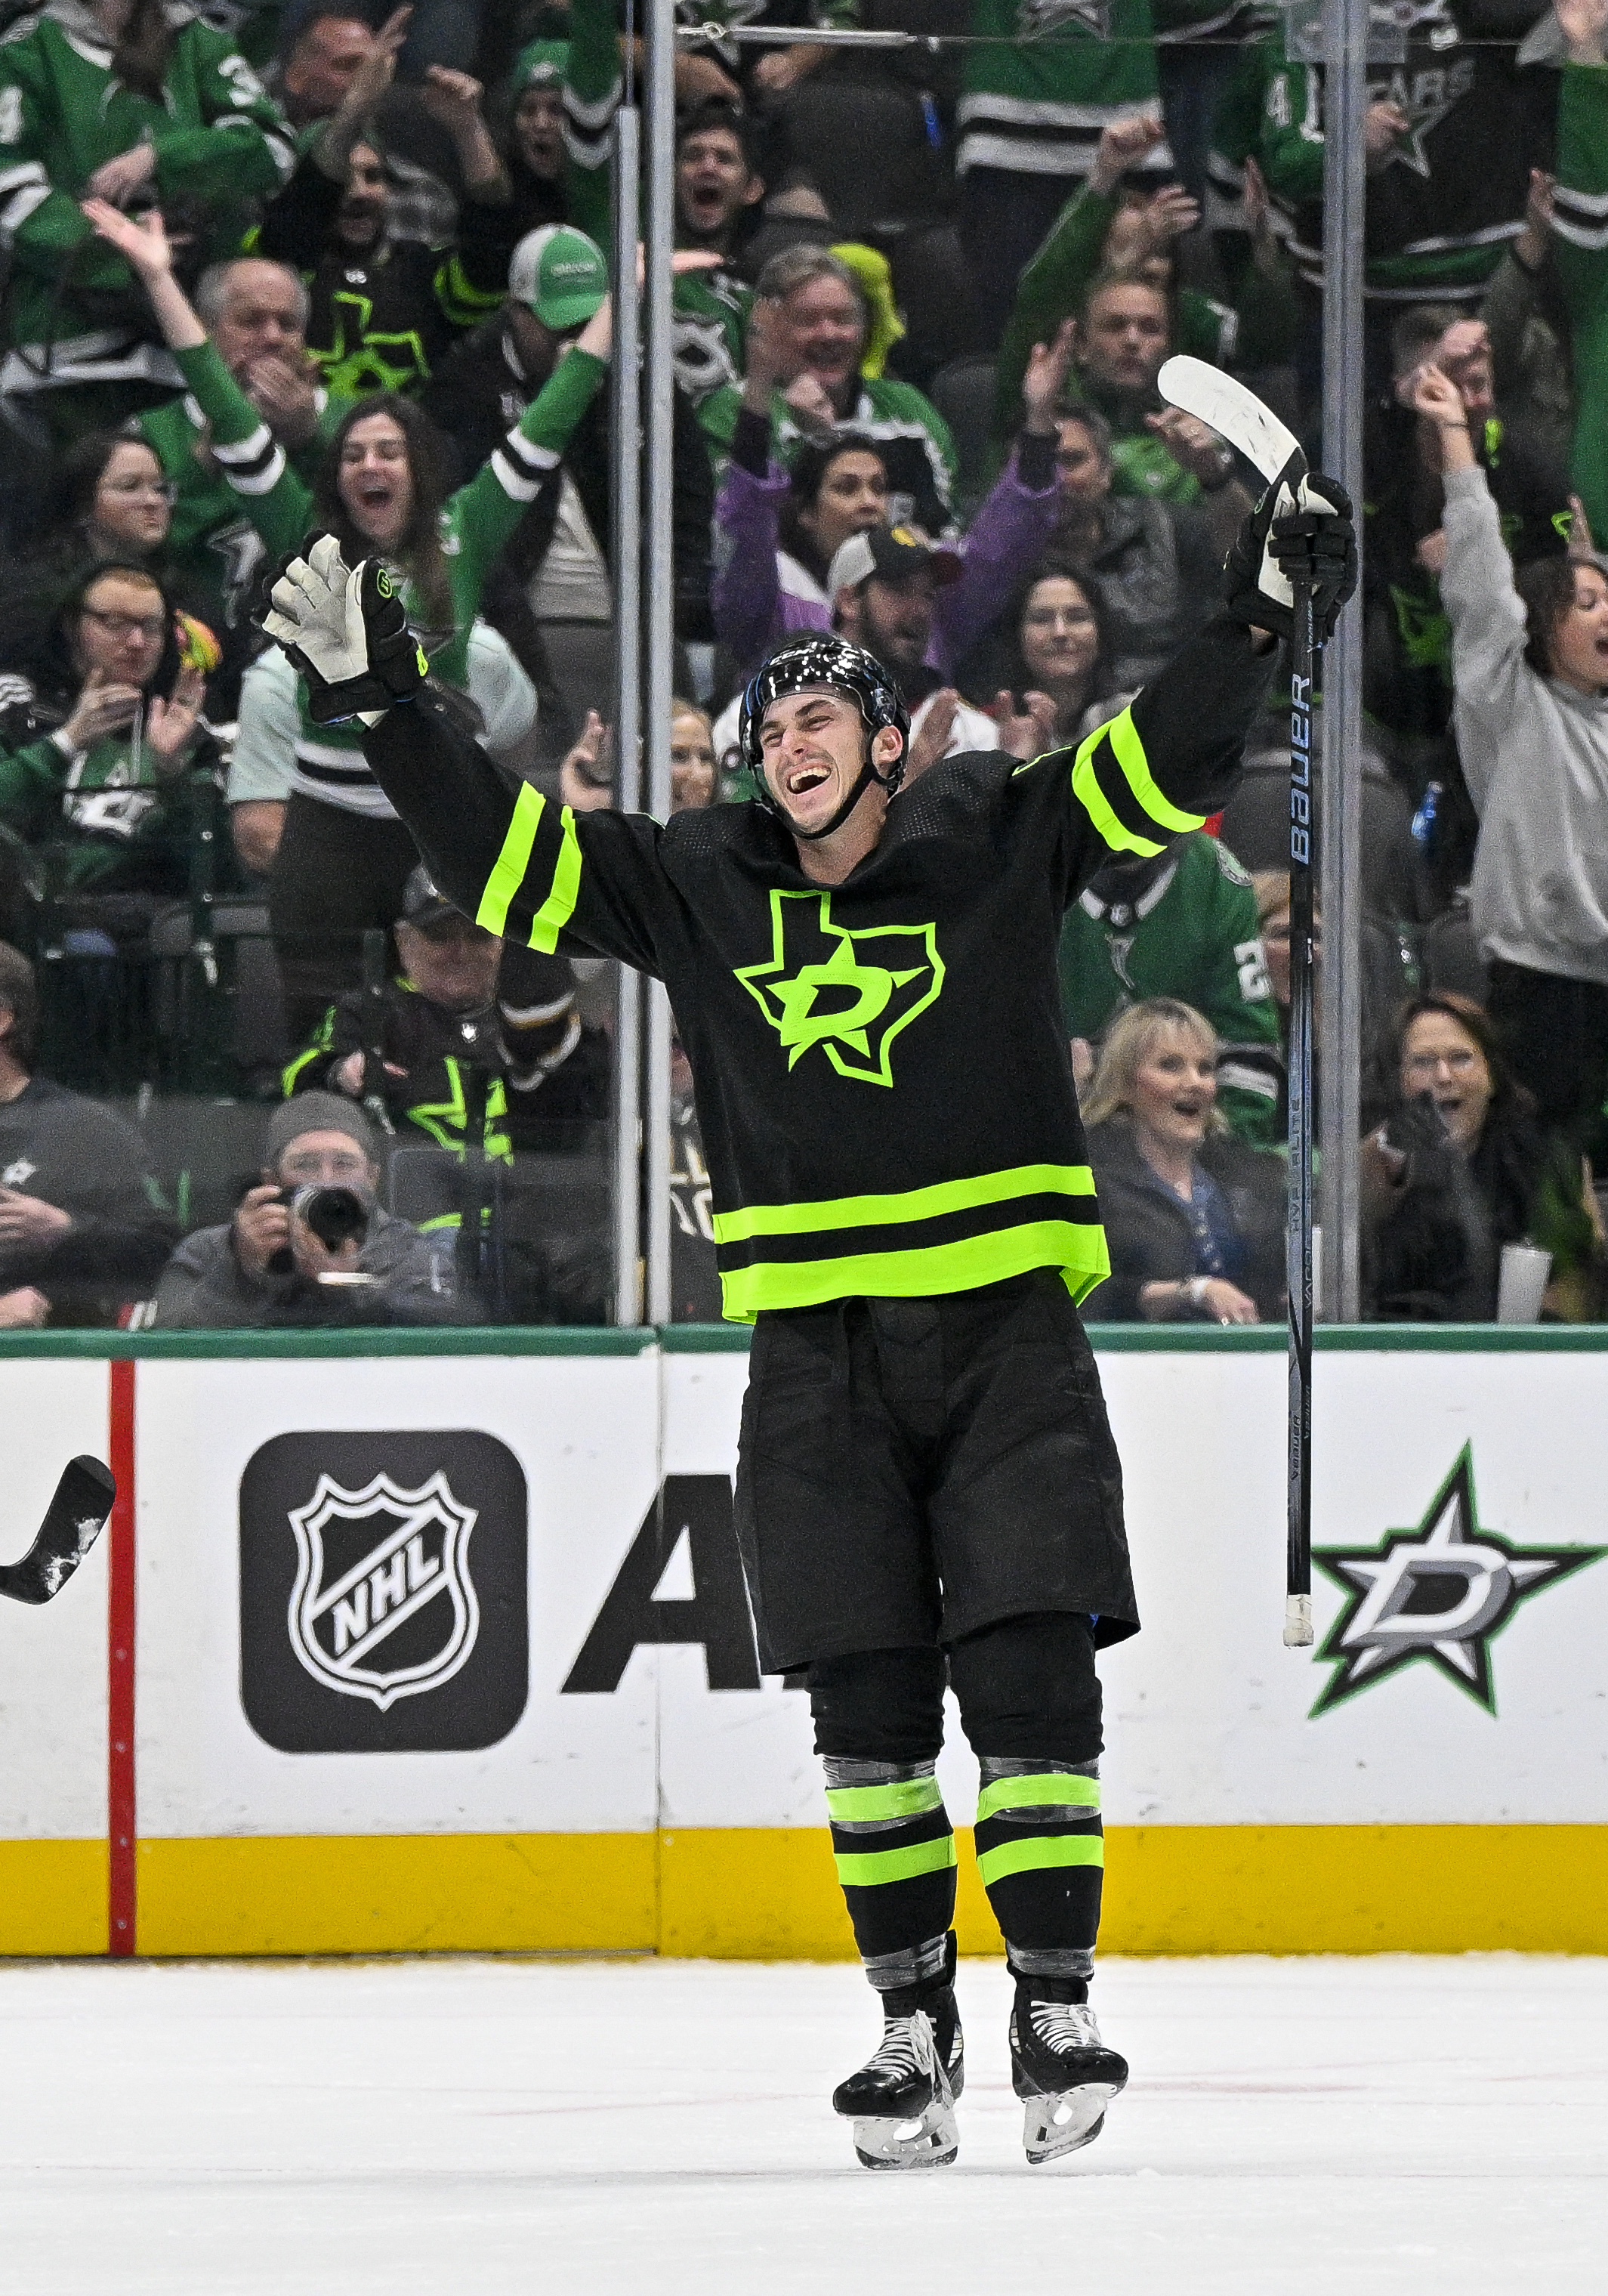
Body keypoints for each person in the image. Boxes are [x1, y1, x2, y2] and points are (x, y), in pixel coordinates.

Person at [255, 458, 1355, 2165]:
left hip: (1004, 1330)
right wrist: (385, 699)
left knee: (1028, 1665)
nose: (787, 743)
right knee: (866, 1696)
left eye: (819, 714)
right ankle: (911, 2023)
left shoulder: (997, 828)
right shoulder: (699, 877)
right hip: (816, 1348)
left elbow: (1166, 754)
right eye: (766, 727)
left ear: (889, 740)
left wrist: (1262, 611)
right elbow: (495, 856)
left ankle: (1051, 1998)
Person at [83, 197, 673, 1033]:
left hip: (448, 813)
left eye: (390, 451)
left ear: (417, 468)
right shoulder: (303, 533)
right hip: (328, 825)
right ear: (338, 475)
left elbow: (554, 415)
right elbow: (227, 408)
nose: (371, 464)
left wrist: (617, 307)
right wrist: (157, 277)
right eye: (355, 452)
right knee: (319, 1023)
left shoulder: (468, 529)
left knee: (496, 998)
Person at [1418, 356, 1608, 1156]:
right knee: (1539, 1174)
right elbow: (1480, 580)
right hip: (1537, 982)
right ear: (1537, 626)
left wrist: (1587, 563)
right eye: (1587, 604)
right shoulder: (1509, 701)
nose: (1605, 615)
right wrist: (1454, 437)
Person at [711, 300, 1068, 681]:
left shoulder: (934, 607)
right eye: (846, 488)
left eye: (879, 488)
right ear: (806, 513)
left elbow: (999, 550)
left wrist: (1038, 421)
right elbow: (746, 524)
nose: (869, 503)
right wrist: (760, 387)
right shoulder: (776, 603)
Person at [0, 0, 295, 431]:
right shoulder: (27, 49)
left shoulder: (198, 41)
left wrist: (161, 157)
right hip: (69, 351)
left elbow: (274, 148)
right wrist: (121, 244)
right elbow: (8, 187)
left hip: (194, 344)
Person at [283, 861, 607, 1154]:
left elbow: (586, 1112)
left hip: (528, 1192)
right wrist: (341, 1072)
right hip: (407, 1192)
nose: (461, 952)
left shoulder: (533, 1020)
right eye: (440, 936)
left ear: (503, 942)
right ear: (404, 941)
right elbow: (295, 1080)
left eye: (478, 935)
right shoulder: (371, 1011)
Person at [255, 39, 519, 397]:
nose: (360, 192)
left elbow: (492, 247)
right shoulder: (276, 270)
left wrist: (468, 129)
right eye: (344, 179)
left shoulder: (425, 273)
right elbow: (299, 217)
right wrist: (355, 109)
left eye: (373, 176)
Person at [0, 562, 216, 943]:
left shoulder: (186, 727)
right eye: (115, 623)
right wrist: (67, 742)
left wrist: (172, 773)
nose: (137, 642)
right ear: (73, 627)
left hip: (150, 923)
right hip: (27, 918)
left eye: (151, 627)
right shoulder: (17, 704)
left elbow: (216, 868)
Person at [1362, 991, 1600, 1323]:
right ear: (1399, 1080)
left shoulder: (1546, 1161)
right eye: (1423, 1062)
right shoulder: (1378, 1158)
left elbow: (1583, 1276)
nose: (1444, 1077)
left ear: (1491, 1075)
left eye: (1461, 1058)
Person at [697, 246, 959, 536]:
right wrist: (815, 443)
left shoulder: (908, 410)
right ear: (769, 330)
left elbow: (946, 531)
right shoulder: (735, 411)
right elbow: (735, 533)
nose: (829, 334)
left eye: (843, 319)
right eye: (808, 320)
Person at [1059, 829, 1283, 1149]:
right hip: (1055, 1144)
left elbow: (1249, 1048)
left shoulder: (1216, 877)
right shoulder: (1030, 862)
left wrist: (1226, 1152)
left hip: (1191, 1155)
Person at [153, 1092, 452, 1327]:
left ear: (372, 1178)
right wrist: (243, 1272)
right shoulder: (210, 1251)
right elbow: (167, 1343)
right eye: (305, 1165)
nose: (326, 1180)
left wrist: (345, 1290)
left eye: (344, 1164)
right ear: (272, 1180)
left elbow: (439, 1340)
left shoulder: (405, 1251)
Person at [0, 938, 176, 1327]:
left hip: (61, 1356)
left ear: (3, 1020)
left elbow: (163, 1255)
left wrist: (68, 1230)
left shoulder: (84, 1129)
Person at [1080, 998, 1285, 1324]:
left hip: (1250, 1353)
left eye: (1205, 1069)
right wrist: (1190, 1292)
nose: (1195, 1083)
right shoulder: (1090, 1178)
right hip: (1133, 1353)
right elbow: (1076, 1295)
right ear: (1126, 1085)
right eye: (1170, 1066)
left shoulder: (1247, 1173)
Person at [1034, 406, 1233, 690]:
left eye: (1072, 461)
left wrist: (1216, 479)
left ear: (1106, 472)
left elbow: (1253, 564)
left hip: (1161, 704)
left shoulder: (1163, 527)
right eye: (1038, 463)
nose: (1056, 480)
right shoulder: (992, 555)